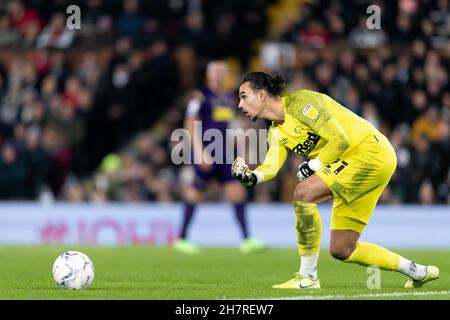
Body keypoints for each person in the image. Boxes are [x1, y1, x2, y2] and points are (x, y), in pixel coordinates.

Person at [232, 71, 439, 289]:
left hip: (369, 152)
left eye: (244, 96)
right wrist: (252, 177)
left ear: (262, 95)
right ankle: (417, 271)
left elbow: (340, 139)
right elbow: (272, 165)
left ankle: (308, 277)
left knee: (304, 193)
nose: (239, 104)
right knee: (342, 249)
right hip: (356, 164)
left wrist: (312, 166)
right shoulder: (275, 131)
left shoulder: (301, 102)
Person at [172, 61, 269, 255]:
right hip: (206, 151)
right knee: (195, 193)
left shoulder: (226, 97)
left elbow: (228, 127)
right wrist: (199, 152)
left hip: (223, 154)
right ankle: (181, 238)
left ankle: (246, 239)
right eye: (214, 72)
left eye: (221, 72)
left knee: (236, 191)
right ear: (208, 75)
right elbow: (190, 124)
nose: (218, 75)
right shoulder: (199, 97)